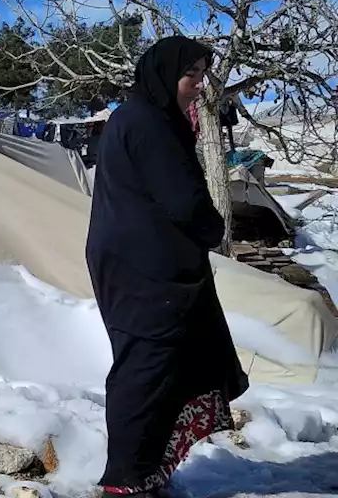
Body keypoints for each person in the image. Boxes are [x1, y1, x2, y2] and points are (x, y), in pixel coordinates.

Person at [85, 36, 248, 496]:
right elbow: (185, 201)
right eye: (190, 74)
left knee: (154, 364)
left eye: (202, 73)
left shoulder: (138, 118)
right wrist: (213, 230)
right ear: (163, 74)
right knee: (146, 368)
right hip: (146, 270)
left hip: (136, 262)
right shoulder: (150, 125)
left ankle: (142, 471)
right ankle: (125, 479)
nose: (199, 84)